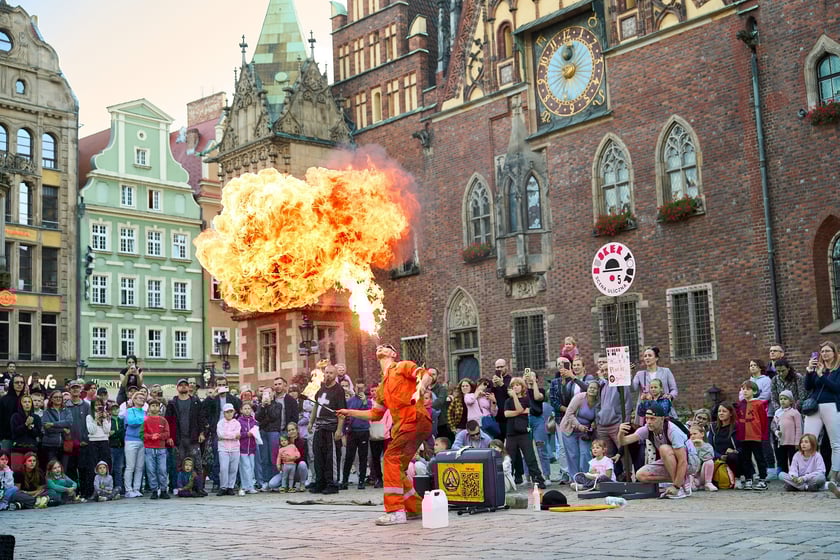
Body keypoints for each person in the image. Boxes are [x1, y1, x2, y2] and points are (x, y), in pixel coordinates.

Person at [337, 343, 434, 526]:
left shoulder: (402, 366)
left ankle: (396, 511)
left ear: (393, 353)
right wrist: (349, 412)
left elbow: (425, 374)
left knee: (390, 458)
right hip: (410, 425)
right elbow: (375, 414)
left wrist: (421, 385)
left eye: (386, 346)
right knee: (397, 468)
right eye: (380, 347)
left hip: (414, 419)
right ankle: (415, 508)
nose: (381, 347)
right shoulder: (382, 387)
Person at [619, 402, 698, 499]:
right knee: (641, 475)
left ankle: (678, 488)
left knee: (664, 449)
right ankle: (683, 480)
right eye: (647, 418)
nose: (648, 422)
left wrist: (676, 486)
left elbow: (683, 461)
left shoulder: (672, 431)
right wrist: (621, 433)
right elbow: (624, 441)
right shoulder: (647, 429)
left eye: (652, 419)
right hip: (672, 461)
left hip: (691, 462)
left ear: (662, 419)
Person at [803, 341, 840, 486]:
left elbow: (837, 388)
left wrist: (822, 376)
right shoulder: (819, 367)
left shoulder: (838, 369)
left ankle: (834, 476)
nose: (824, 354)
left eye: (827, 351)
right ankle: (809, 474)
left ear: (834, 353)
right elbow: (808, 387)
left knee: (835, 443)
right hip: (814, 408)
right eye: (822, 352)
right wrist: (809, 372)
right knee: (808, 441)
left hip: (832, 406)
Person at [504, 376, 547, 489]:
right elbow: (507, 414)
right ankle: (507, 481)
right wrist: (519, 412)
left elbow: (521, 408)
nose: (515, 387)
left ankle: (538, 479)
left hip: (524, 432)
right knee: (509, 458)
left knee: (530, 457)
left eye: (517, 385)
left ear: (522, 387)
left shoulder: (526, 399)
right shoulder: (507, 401)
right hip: (511, 433)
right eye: (513, 386)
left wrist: (516, 402)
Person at [165, 378, 206, 497]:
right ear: (177, 388)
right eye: (181, 385)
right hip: (178, 439)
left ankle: (199, 488)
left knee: (197, 464)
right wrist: (170, 436)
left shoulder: (196, 402)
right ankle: (176, 487)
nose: (183, 387)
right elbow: (169, 421)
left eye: (185, 385)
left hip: (193, 438)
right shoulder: (172, 403)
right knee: (177, 464)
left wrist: (202, 432)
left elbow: (201, 418)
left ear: (189, 387)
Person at [256, 376, 299, 490]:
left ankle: (278, 482)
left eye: (279, 384)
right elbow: (259, 418)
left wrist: (291, 431)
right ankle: (266, 481)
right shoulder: (267, 401)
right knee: (265, 458)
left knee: (277, 457)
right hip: (266, 431)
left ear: (285, 385)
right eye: (275, 384)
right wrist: (264, 406)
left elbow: (279, 416)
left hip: (282, 431)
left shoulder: (288, 400)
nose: (277, 386)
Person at [310, 364, 346, 495]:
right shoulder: (321, 389)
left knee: (331, 457)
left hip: (331, 428)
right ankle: (320, 483)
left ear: (335, 375)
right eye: (326, 372)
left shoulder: (339, 390)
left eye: (331, 373)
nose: (328, 375)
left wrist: (339, 430)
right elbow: (316, 406)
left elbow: (342, 412)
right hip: (319, 427)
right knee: (318, 455)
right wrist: (311, 423)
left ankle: (332, 484)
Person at [203, 376, 241, 490]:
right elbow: (203, 410)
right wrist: (211, 397)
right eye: (219, 385)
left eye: (223, 384)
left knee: (233, 460)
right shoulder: (213, 399)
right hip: (217, 431)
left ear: (227, 386)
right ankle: (217, 481)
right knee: (217, 457)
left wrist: (236, 423)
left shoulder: (233, 399)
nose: (221, 387)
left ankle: (233, 483)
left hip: (232, 431)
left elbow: (241, 410)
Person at [560, 380, 599, 477]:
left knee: (585, 453)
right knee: (573, 455)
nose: (592, 390)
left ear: (598, 390)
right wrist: (579, 426)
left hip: (585, 432)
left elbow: (598, 416)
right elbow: (569, 413)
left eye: (595, 388)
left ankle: (586, 476)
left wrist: (594, 423)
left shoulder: (599, 402)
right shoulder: (580, 397)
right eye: (590, 387)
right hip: (570, 428)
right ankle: (575, 478)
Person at [735, 380, 769, 490]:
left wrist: (763, 435)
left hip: (755, 435)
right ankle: (748, 479)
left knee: (759, 458)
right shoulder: (740, 405)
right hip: (743, 436)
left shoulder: (759, 404)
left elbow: (763, 420)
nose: (745, 391)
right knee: (746, 458)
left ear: (754, 391)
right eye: (743, 389)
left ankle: (762, 479)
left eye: (748, 389)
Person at [632, 346, 678, 421]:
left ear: (656, 358)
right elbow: (633, 388)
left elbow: (674, 390)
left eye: (650, 355)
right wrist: (629, 374)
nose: (647, 358)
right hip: (646, 413)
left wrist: (670, 396)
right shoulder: (640, 374)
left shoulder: (666, 371)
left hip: (663, 409)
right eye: (645, 356)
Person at [65, 379, 92, 499]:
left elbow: (90, 423)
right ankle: (73, 493)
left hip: (83, 443)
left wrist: (86, 438)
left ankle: (85, 492)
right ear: (69, 390)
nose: (75, 390)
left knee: (83, 469)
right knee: (70, 469)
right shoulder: (65, 406)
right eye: (73, 388)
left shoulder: (87, 406)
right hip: (70, 444)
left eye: (77, 387)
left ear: (81, 389)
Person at [342, 381, 371, 490]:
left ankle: (361, 481)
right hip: (352, 431)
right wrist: (344, 433)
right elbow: (345, 416)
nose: (359, 390)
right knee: (349, 457)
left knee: (363, 457)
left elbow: (369, 413)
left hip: (363, 431)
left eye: (361, 388)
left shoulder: (368, 401)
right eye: (357, 388)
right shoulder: (350, 401)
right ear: (354, 388)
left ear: (364, 388)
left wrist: (364, 401)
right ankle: (344, 481)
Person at [144, 399, 171, 499]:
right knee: (151, 470)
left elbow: (167, 433)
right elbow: (142, 434)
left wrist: (159, 436)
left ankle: (163, 489)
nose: (154, 407)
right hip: (149, 448)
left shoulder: (163, 420)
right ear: (149, 407)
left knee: (162, 469)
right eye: (152, 405)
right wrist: (151, 436)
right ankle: (154, 490)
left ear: (159, 408)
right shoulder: (145, 420)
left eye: (156, 405)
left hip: (161, 448)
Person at [708, 404, 740, 485]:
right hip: (717, 457)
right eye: (719, 411)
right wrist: (720, 456)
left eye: (724, 411)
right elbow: (710, 447)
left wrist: (735, 451)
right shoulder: (713, 427)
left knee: (733, 456)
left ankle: (737, 477)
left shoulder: (737, 426)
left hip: (733, 457)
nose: (721, 413)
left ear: (731, 413)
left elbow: (743, 446)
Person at [772, 389, 803, 473]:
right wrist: (776, 432)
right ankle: (785, 475)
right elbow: (773, 425)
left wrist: (797, 442)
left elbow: (798, 428)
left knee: (793, 459)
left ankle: (794, 474)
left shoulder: (795, 413)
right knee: (782, 459)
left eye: (785, 399)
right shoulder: (777, 412)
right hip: (781, 441)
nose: (782, 401)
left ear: (791, 401)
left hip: (792, 442)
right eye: (781, 399)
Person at [10, 394, 42, 472]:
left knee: (31, 471)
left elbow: (38, 434)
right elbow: (15, 432)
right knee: (17, 471)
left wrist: (31, 428)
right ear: (21, 404)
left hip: (31, 448)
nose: (27, 404)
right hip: (17, 448)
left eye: (29, 402)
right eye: (24, 402)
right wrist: (25, 425)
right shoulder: (15, 416)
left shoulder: (36, 417)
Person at [123, 391, 146, 498]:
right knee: (130, 466)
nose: (142, 399)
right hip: (131, 441)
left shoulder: (145, 412)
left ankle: (137, 488)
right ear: (134, 400)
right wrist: (144, 420)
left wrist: (143, 420)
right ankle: (128, 489)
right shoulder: (129, 410)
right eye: (139, 398)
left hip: (142, 441)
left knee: (139, 467)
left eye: (143, 398)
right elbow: (131, 422)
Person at [85, 400, 111, 491]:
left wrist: (104, 419)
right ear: (92, 407)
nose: (98, 407)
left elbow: (107, 430)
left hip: (104, 441)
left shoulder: (106, 416)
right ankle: (93, 490)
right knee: (93, 466)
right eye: (96, 405)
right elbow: (91, 431)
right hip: (93, 442)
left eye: (100, 405)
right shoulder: (89, 417)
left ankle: (107, 488)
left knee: (106, 465)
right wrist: (95, 420)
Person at [216, 403, 240, 496]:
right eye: (227, 412)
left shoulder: (237, 423)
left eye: (231, 411)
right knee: (224, 468)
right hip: (223, 448)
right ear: (224, 413)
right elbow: (220, 434)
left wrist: (227, 435)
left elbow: (237, 434)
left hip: (235, 448)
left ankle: (231, 486)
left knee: (233, 468)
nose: (229, 414)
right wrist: (233, 435)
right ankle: (223, 487)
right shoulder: (220, 423)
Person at [41, 391, 70, 468]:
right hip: (50, 445)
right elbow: (47, 428)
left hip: (64, 446)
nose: (58, 399)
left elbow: (69, 422)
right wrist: (63, 429)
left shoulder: (67, 411)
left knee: (64, 470)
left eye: (60, 397)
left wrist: (53, 424)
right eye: (55, 397)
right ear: (51, 399)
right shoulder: (46, 412)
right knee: (53, 470)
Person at [0, 373, 27, 453]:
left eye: (22, 382)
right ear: (12, 384)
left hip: (23, 438)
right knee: (5, 462)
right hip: (7, 438)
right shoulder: (4, 400)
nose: (19, 384)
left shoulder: (26, 400)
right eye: (17, 382)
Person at [237, 401, 259, 495]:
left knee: (251, 466)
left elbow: (257, 433)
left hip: (252, 448)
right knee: (245, 467)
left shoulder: (254, 421)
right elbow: (238, 434)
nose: (247, 410)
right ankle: (247, 486)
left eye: (249, 408)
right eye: (245, 408)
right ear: (241, 410)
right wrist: (247, 434)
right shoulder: (239, 421)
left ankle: (249, 485)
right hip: (243, 448)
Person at [688, 425, 716, 492]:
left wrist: (701, 446)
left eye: (695, 434)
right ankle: (692, 484)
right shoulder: (687, 446)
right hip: (692, 475)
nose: (692, 436)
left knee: (709, 462)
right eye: (690, 434)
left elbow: (708, 457)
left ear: (702, 434)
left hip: (702, 475)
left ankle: (708, 483)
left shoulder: (707, 446)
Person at [490, 359, 512, 440]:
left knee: (511, 445)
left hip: (509, 418)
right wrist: (494, 386)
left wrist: (502, 384)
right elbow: (489, 396)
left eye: (501, 367)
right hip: (496, 418)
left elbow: (511, 395)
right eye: (497, 367)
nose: (499, 369)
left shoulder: (511, 380)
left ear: (506, 367)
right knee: (497, 445)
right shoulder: (492, 381)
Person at [283, 422, 309, 492]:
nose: (291, 432)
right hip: (287, 470)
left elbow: (303, 458)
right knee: (272, 484)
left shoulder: (303, 442)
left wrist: (291, 459)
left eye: (293, 429)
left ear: (297, 430)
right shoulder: (284, 442)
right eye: (289, 430)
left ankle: (302, 484)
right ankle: (290, 484)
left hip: (298, 470)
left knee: (302, 464)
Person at [428, 368, 451, 441]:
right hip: (427, 423)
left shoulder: (442, 389)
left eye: (433, 374)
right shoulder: (422, 388)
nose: (431, 376)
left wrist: (424, 407)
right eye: (429, 374)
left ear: (437, 376)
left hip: (440, 424)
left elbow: (439, 402)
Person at [107, 401, 125, 495]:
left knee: (119, 468)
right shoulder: (109, 420)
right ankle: (109, 487)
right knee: (111, 468)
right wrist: (114, 433)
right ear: (110, 410)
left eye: (116, 408)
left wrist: (115, 433)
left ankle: (119, 487)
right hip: (111, 446)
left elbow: (122, 432)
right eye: (113, 409)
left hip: (121, 446)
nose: (115, 410)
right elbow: (109, 434)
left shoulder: (121, 420)